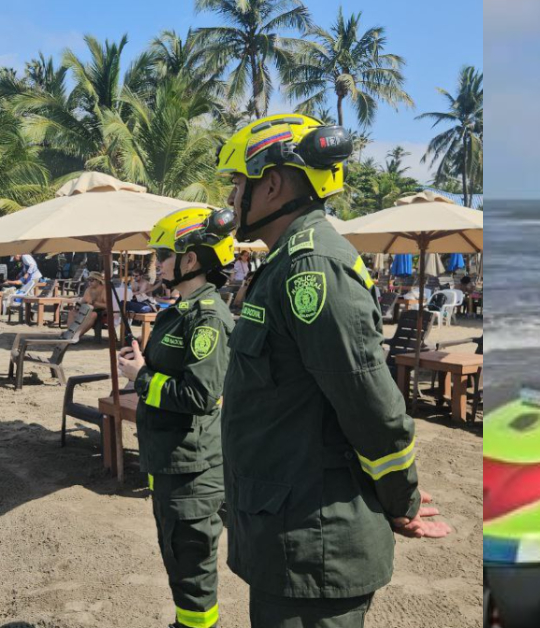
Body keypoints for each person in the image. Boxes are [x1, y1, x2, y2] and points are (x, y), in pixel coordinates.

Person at [217, 113, 452, 627]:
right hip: (286, 531)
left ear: (272, 184)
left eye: (238, 184)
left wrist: (402, 499)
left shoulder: (312, 267)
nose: (232, 199)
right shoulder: (284, 263)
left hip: (313, 545)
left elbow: (370, 404)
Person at [117, 207, 236, 628]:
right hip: (169, 460)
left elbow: (200, 394)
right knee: (178, 559)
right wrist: (142, 362)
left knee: (192, 569)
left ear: (191, 260)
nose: (157, 263)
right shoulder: (178, 311)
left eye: (164, 255)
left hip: (192, 470)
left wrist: (141, 377)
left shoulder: (208, 317)